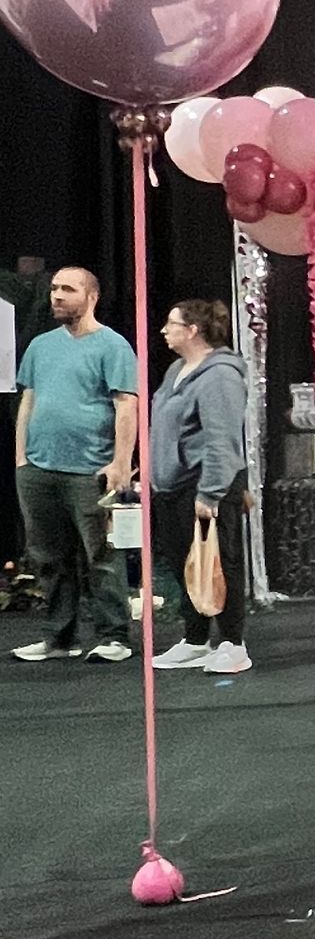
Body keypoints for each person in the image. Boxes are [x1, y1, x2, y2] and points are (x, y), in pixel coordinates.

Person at [12, 266, 138, 662]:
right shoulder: (41, 346)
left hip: (90, 470)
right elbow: (28, 400)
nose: (57, 296)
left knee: (101, 558)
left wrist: (121, 462)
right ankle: (60, 638)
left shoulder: (113, 346)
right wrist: (21, 457)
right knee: (48, 557)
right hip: (39, 469)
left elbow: (126, 406)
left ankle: (114, 637)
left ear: (91, 297)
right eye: (54, 288)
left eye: (68, 289)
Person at [149, 298, 252, 674]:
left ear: (193, 330)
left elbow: (221, 437)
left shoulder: (220, 375)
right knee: (186, 565)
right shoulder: (177, 369)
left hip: (206, 484)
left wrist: (210, 493)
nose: (164, 330)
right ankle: (195, 640)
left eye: (172, 324)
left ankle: (233, 644)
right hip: (173, 486)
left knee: (219, 563)